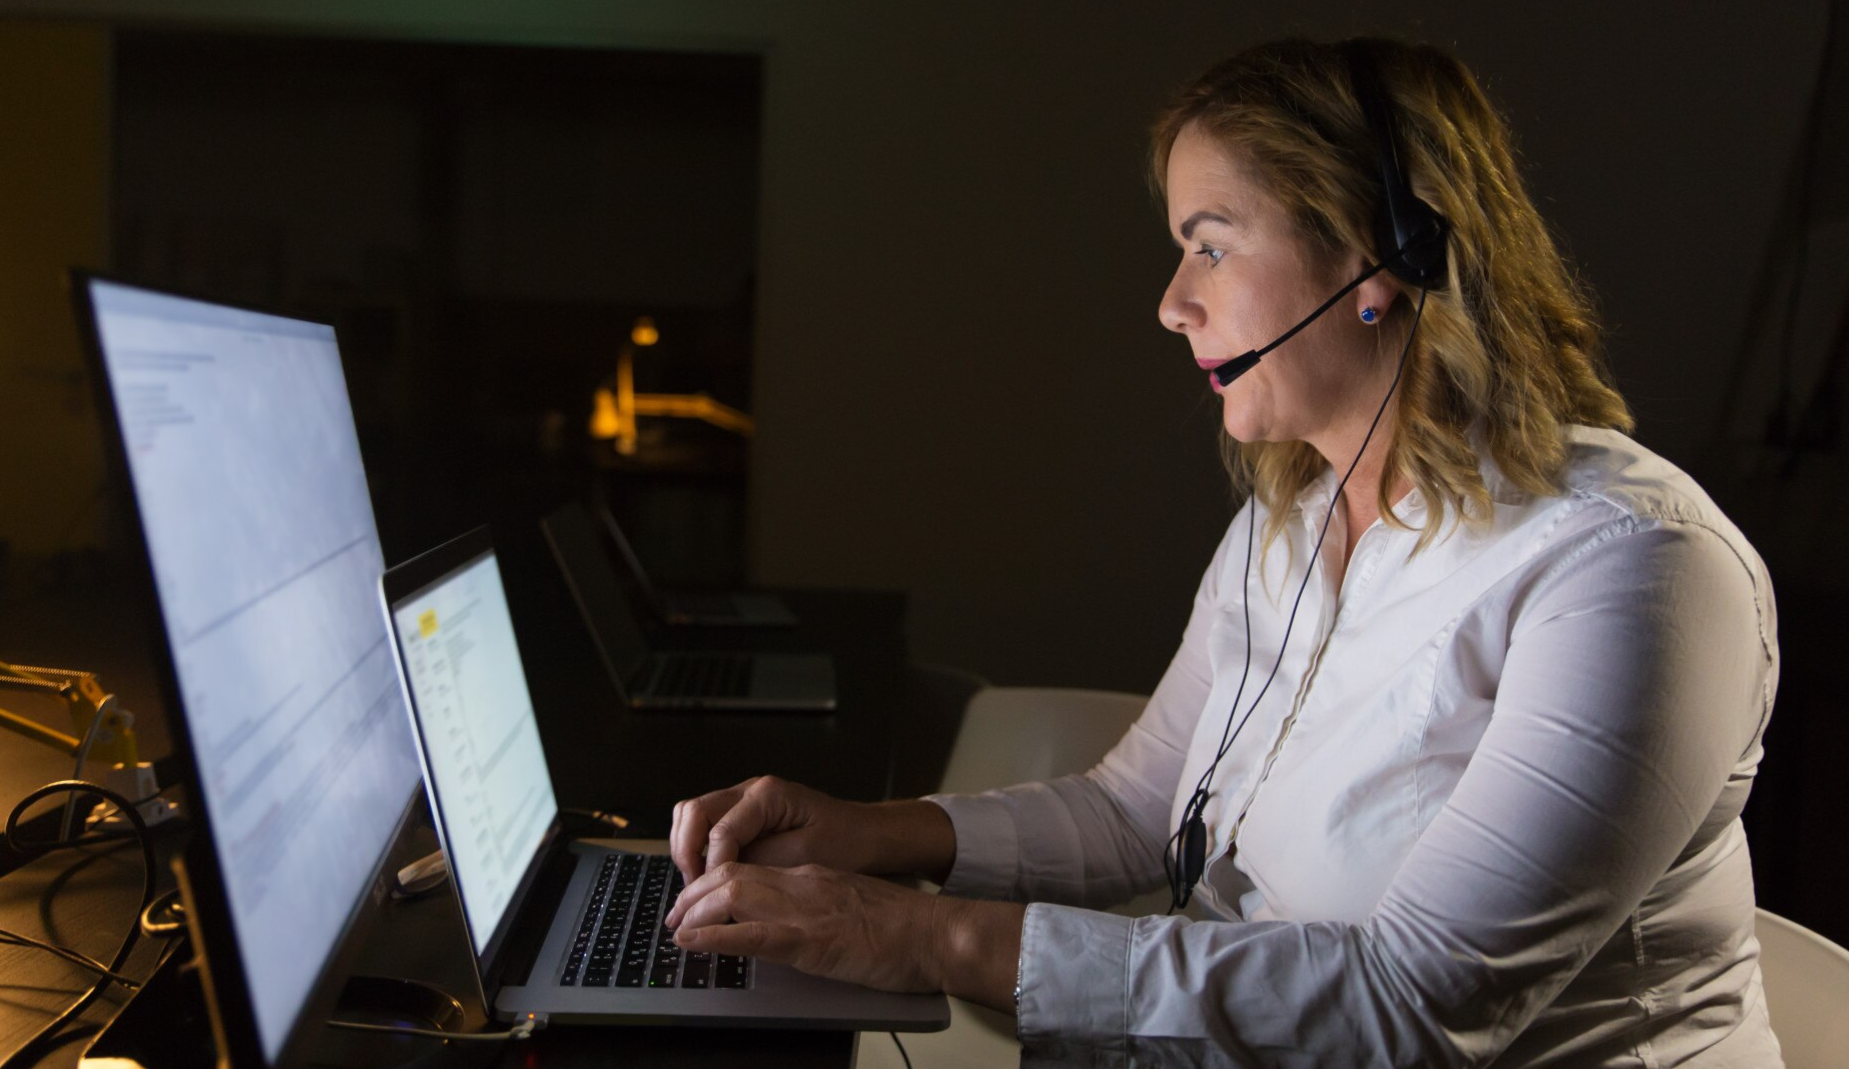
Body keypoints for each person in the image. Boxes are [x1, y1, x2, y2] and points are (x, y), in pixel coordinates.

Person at [664, 36, 1782, 1067]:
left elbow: (1412, 1003)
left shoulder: (1632, 570)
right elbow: (1136, 813)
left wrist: (921, 936)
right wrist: (865, 835)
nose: (1171, 305)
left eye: (1210, 246)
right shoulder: (1288, 519)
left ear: (1379, 252)